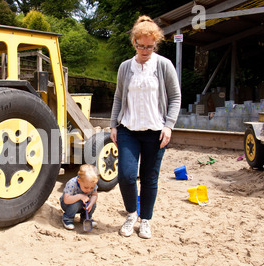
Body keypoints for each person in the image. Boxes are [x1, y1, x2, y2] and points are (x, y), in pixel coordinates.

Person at [110, 15, 181, 239]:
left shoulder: (164, 65)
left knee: (150, 177)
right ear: (134, 43)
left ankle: (146, 220)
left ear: (155, 44)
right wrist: (113, 125)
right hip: (128, 129)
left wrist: (169, 126)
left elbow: (175, 97)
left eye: (149, 47)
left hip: (156, 131)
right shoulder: (125, 67)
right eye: (141, 46)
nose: (145, 50)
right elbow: (118, 98)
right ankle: (131, 215)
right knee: (126, 176)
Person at [60, 164, 99, 230]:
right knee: (77, 203)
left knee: (93, 203)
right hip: (68, 204)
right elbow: (66, 200)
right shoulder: (72, 183)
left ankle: (86, 218)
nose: (89, 190)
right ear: (79, 180)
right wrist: (79, 196)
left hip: (83, 204)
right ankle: (67, 218)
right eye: (86, 187)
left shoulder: (91, 183)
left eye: (91, 188)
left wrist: (91, 203)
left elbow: (94, 195)